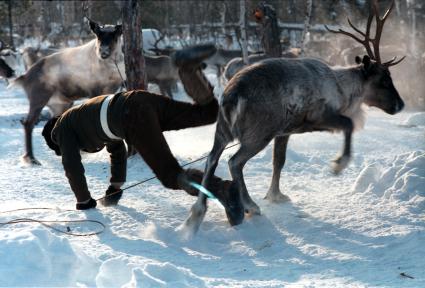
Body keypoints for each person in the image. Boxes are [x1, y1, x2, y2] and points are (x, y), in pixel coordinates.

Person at [42, 45, 242, 223]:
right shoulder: (81, 117)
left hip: (131, 117)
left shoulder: (61, 129)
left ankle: (225, 191)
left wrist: (84, 202)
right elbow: (117, 149)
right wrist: (115, 186)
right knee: (206, 113)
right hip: (139, 100)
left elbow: (72, 166)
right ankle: (187, 69)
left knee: (171, 175)